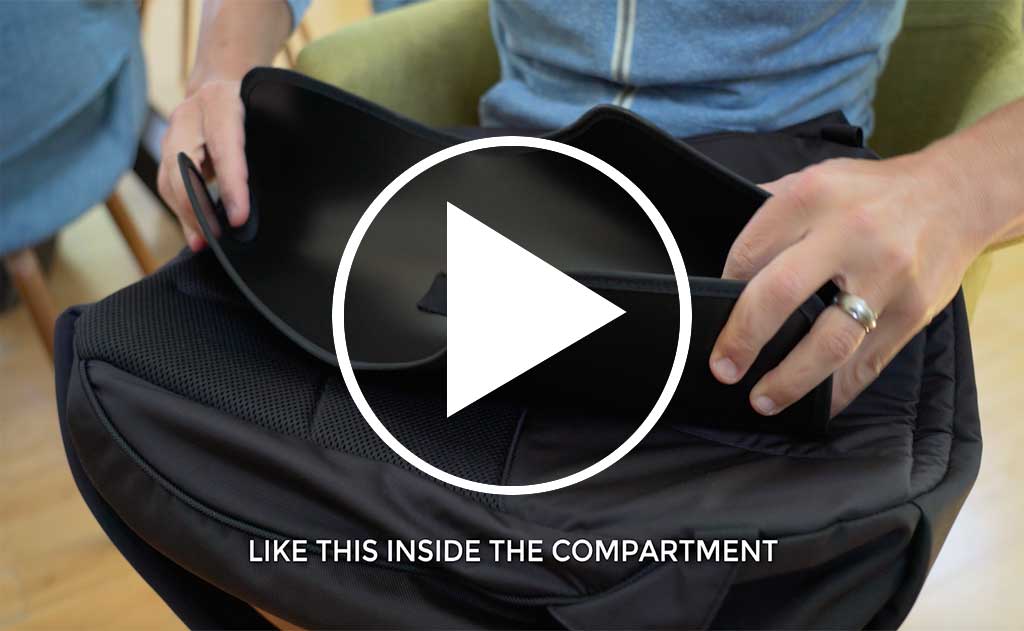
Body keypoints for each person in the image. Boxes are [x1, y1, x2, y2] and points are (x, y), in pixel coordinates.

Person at [158, 0, 1024, 418]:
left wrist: (956, 188)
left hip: (771, 192)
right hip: (517, 164)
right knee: (184, 374)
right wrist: (219, 71)